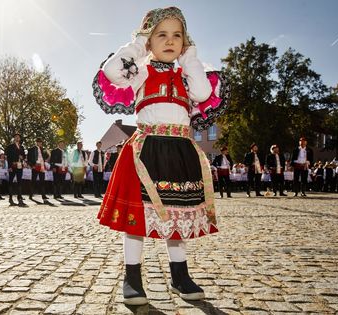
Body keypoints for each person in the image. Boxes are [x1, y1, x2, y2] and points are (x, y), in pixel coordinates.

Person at [93, 7, 221, 304]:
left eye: (177, 35)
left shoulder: (188, 74)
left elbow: (202, 93)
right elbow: (112, 70)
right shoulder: (141, 70)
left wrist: (190, 57)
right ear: (149, 40)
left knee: (176, 217)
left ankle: (180, 275)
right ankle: (132, 277)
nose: (170, 40)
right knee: (137, 219)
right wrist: (139, 42)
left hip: (179, 150)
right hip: (146, 151)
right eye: (161, 34)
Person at [5, 133, 26, 204]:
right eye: (16, 137)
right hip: (13, 165)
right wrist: (9, 166)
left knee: (19, 181)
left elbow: (24, 156)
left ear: (20, 139)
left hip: (20, 165)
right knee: (11, 181)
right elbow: (8, 158)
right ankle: (10, 196)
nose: (17, 138)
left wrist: (22, 157)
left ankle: (19, 196)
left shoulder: (22, 147)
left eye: (18, 137)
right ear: (14, 138)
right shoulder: (10, 146)